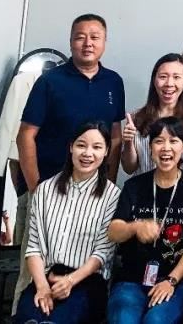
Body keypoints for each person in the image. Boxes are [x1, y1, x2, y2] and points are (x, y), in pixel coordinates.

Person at [15, 121, 121, 324]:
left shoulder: (112, 196)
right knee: (29, 319)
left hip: (87, 282)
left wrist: (70, 281)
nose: (88, 153)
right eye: (81, 145)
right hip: (46, 278)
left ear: (106, 151)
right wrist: (42, 286)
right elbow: (34, 246)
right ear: (71, 147)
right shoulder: (45, 190)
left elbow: (103, 253)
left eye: (97, 147)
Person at [108, 117, 183, 324]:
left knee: (156, 320)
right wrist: (135, 227)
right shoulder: (134, 186)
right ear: (150, 147)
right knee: (125, 319)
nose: (166, 148)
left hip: (175, 280)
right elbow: (113, 231)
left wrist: (172, 280)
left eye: (173, 141)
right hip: (132, 279)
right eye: (159, 141)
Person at [18, 13, 125, 190]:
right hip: (49, 184)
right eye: (80, 37)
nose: (88, 43)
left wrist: (109, 185)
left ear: (104, 42)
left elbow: (115, 137)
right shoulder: (50, 81)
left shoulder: (114, 82)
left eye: (95, 37)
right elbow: (26, 135)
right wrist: (36, 188)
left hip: (94, 189)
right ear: (70, 42)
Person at [121, 54, 183, 177]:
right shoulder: (136, 117)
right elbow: (129, 168)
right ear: (154, 80)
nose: (169, 83)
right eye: (163, 77)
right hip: (142, 187)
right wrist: (128, 142)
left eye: (176, 77)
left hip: (180, 187)